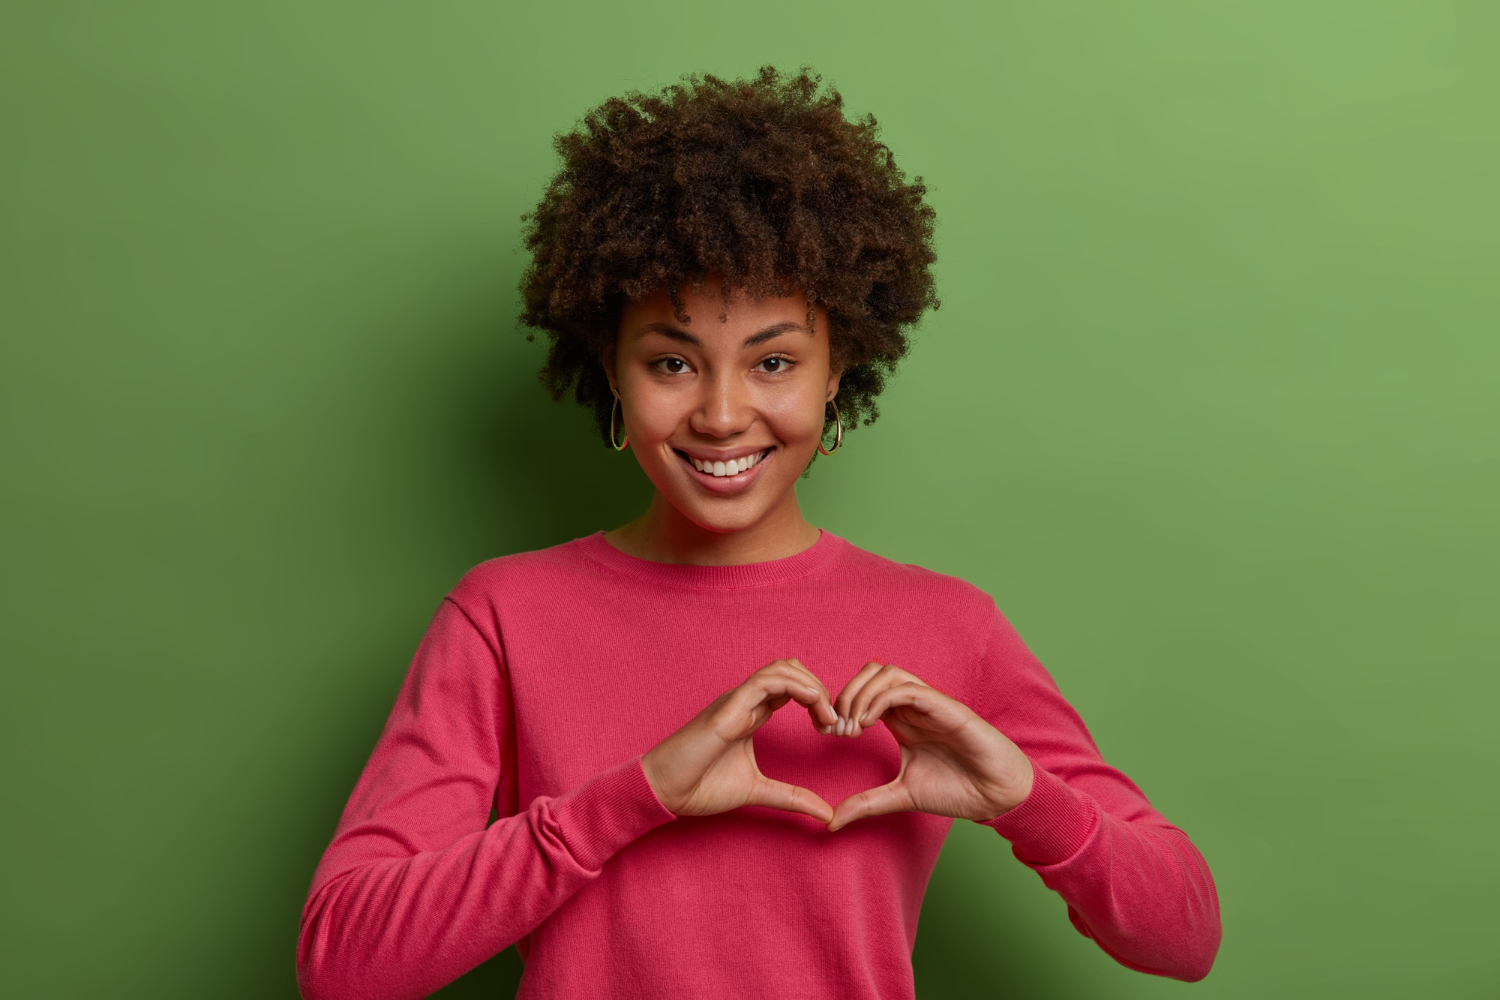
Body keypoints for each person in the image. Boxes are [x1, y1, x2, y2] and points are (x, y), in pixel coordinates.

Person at [296, 67, 1221, 1000]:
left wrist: (1030, 802)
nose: (723, 413)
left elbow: (1183, 935)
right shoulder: (504, 615)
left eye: (773, 360)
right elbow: (342, 962)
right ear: (610, 370)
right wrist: (633, 798)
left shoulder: (950, 626)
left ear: (838, 370)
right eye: (671, 362)